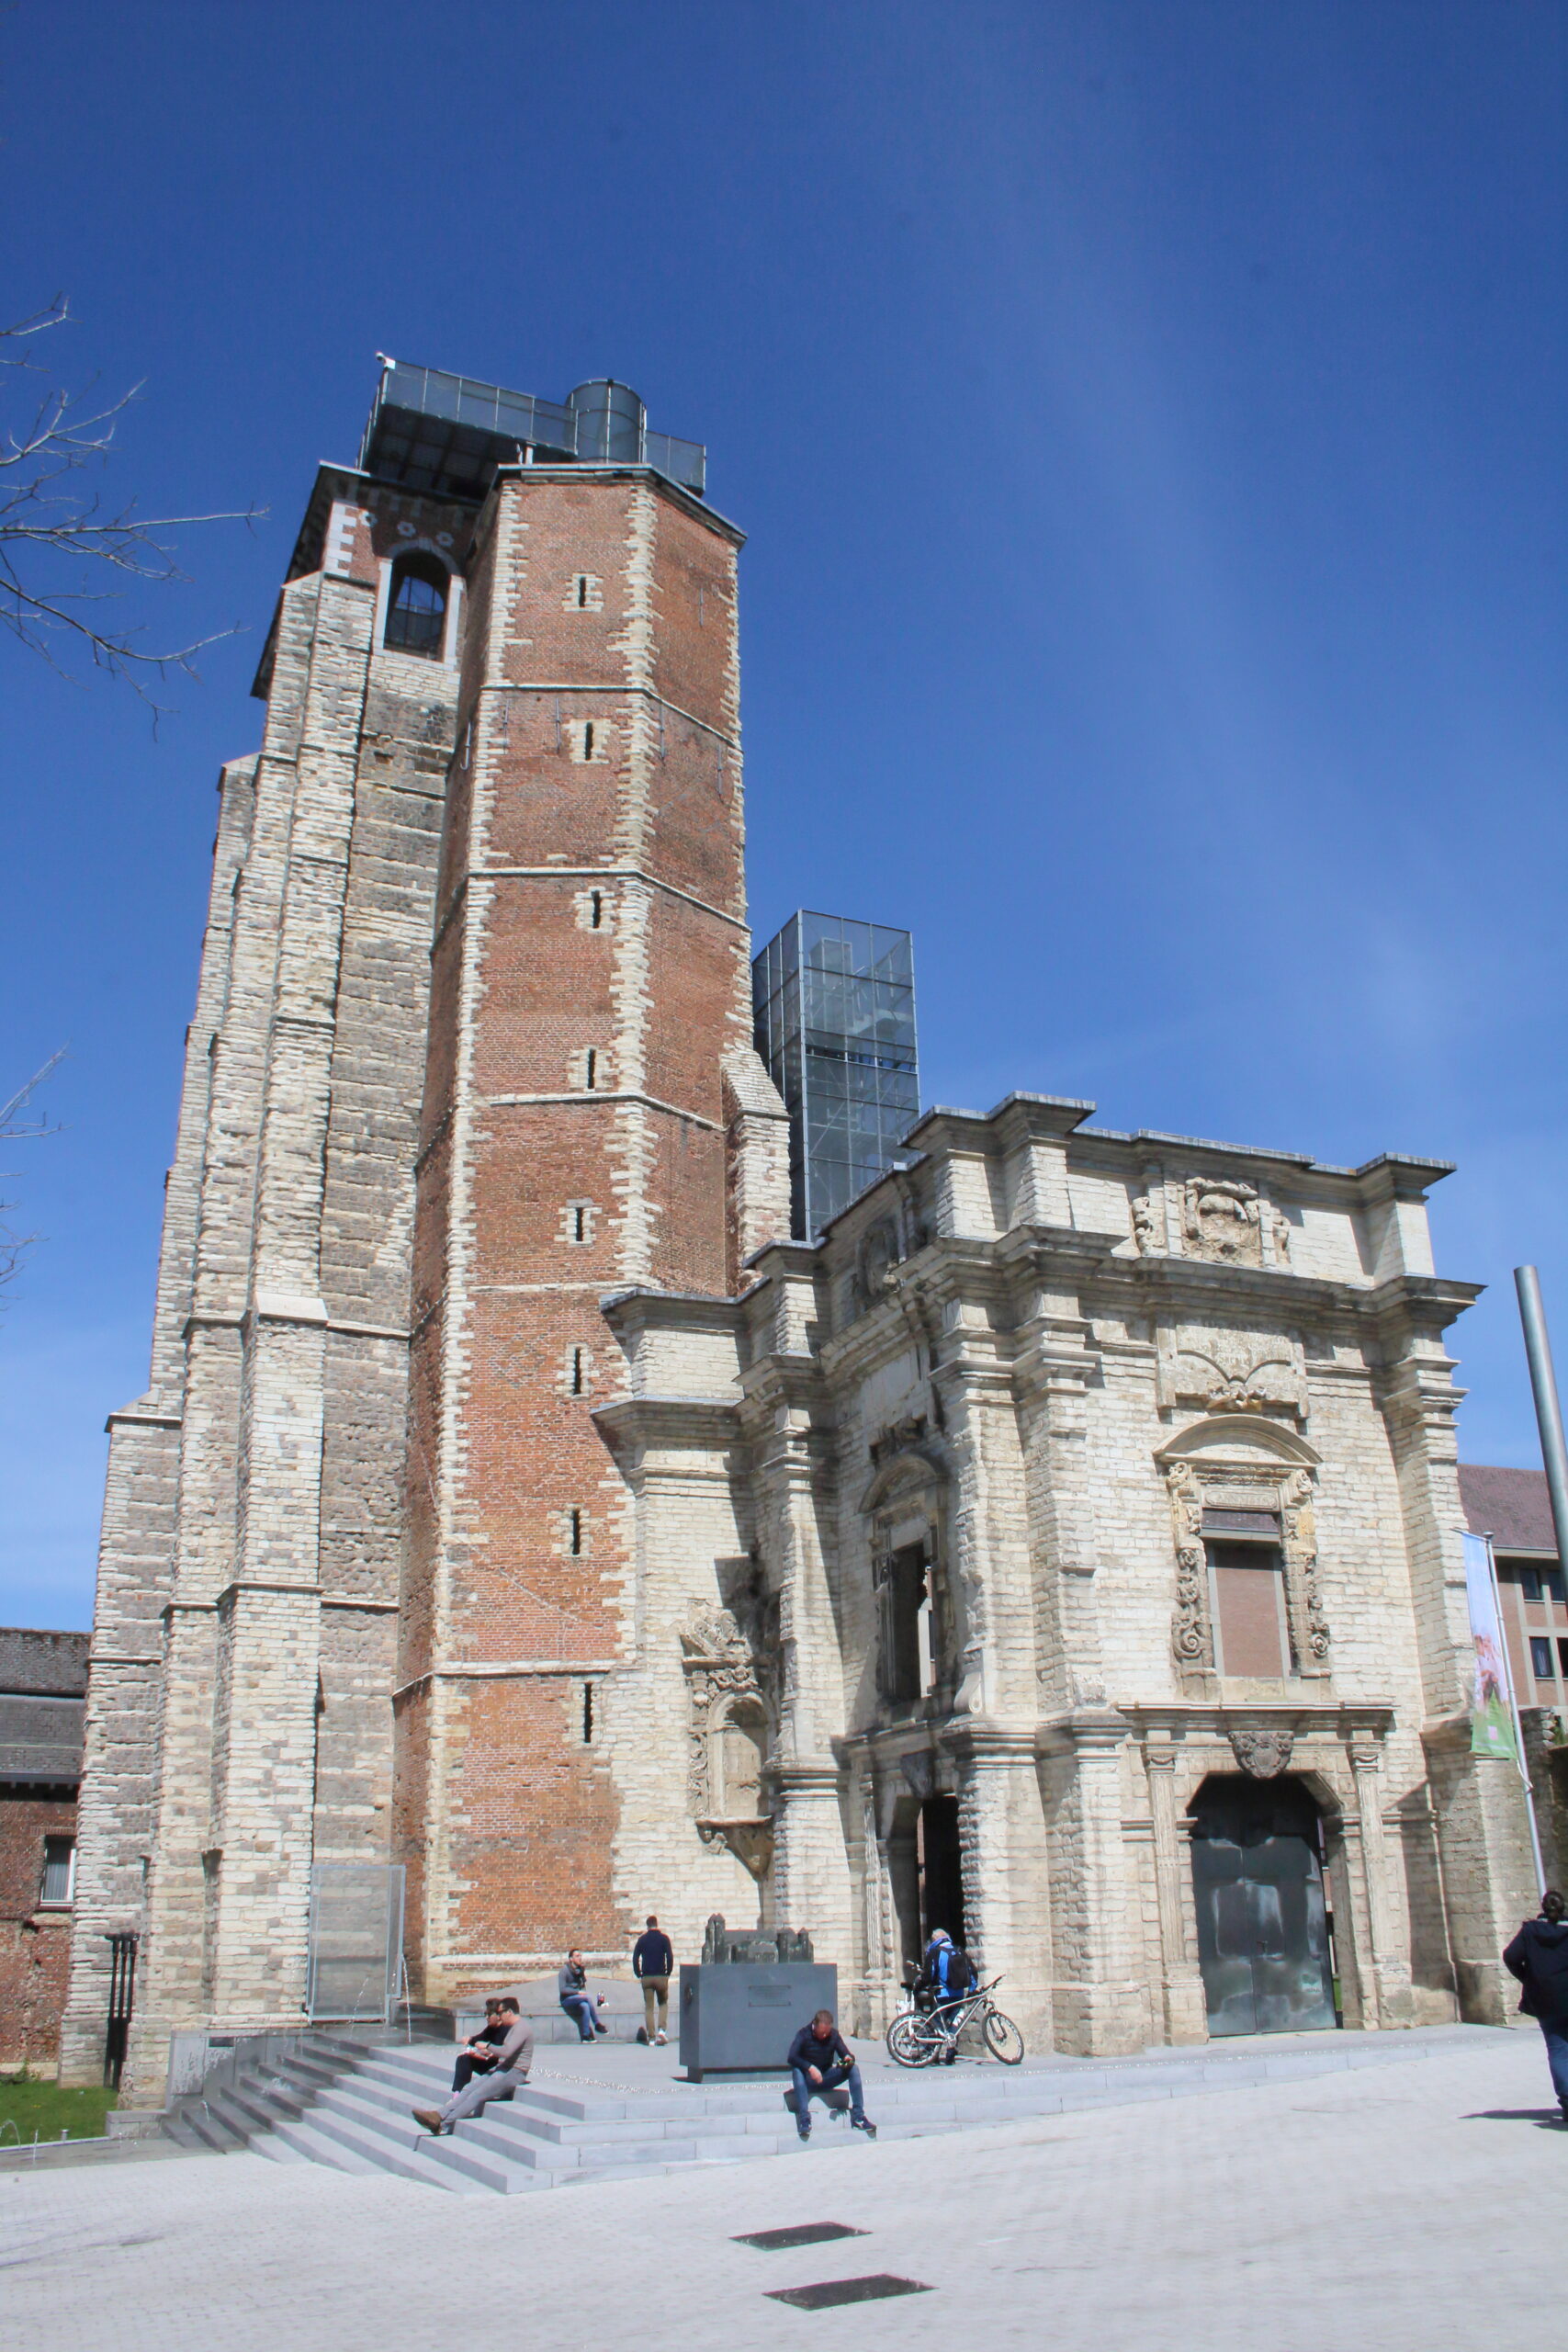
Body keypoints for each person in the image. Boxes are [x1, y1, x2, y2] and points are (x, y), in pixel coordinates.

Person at [413, 1998, 534, 2135]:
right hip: (504, 2068)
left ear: (510, 2012)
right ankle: (438, 2115)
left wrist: (488, 2046)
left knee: (477, 2094)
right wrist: (488, 2050)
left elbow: (506, 2051)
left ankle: (443, 2125)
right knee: (469, 2088)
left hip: (515, 2072)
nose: (499, 2016)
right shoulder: (514, 2028)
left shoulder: (521, 2028)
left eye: (500, 2013)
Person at [1503, 1887, 1568, 2122]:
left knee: (1558, 2050)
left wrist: (1528, 1978)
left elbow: (1510, 1956)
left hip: (1545, 2000)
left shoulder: (1530, 1931)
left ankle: (1567, 2099)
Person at [786, 2009, 876, 2143]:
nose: (824, 2036)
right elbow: (792, 2057)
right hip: (808, 2079)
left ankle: (859, 2116)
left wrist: (848, 2058)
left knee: (853, 2069)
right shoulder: (803, 2034)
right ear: (814, 2025)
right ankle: (804, 2119)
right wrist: (810, 2068)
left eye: (826, 2033)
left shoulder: (833, 2035)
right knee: (797, 2071)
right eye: (821, 2032)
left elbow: (847, 2054)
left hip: (827, 2076)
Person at [918, 1928, 975, 2062]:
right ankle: (951, 2054)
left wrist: (920, 1987)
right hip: (958, 1994)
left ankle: (933, 2055)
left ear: (934, 1940)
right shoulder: (959, 1950)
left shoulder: (934, 1952)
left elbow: (928, 1975)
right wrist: (972, 1989)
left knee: (936, 2025)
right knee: (953, 2023)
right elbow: (972, 1970)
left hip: (941, 1994)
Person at [449, 1996, 509, 2095]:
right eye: (485, 2014)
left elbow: (502, 2053)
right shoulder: (490, 2029)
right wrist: (469, 2039)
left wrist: (483, 2054)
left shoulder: (506, 2030)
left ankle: (461, 2095)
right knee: (463, 2059)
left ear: (499, 2016)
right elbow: (478, 2039)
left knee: (469, 2058)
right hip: (490, 2063)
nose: (486, 2017)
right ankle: (458, 2093)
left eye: (489, 2015)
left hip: (501, 2068)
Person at [632, 1915, 674, 2045]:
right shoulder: (664, 1939)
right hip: (661, 1975)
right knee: (663, 2003)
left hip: (647, 1977)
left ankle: (651, 2037)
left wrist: (638, 1973)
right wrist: (668, 1972)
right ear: (657, 1924)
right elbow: (670, 1957)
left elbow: (635, 1957)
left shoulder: (642, 1940)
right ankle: (662, 2030)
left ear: (647, 1926)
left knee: (649, 2007)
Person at [559, 1948, 608, 2041]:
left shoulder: (580, 1970)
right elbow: (562, 1989)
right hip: (567, 1999)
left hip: (578, 1998)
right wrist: (577, 1992)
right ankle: (597, 2024)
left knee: (585, 2006)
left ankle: (586, 2036)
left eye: (580, 1956)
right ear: (571, 1959)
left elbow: (582, 1985)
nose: (580, 1958)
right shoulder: (564, 1971)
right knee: (587, 1999)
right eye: (577, 1956)